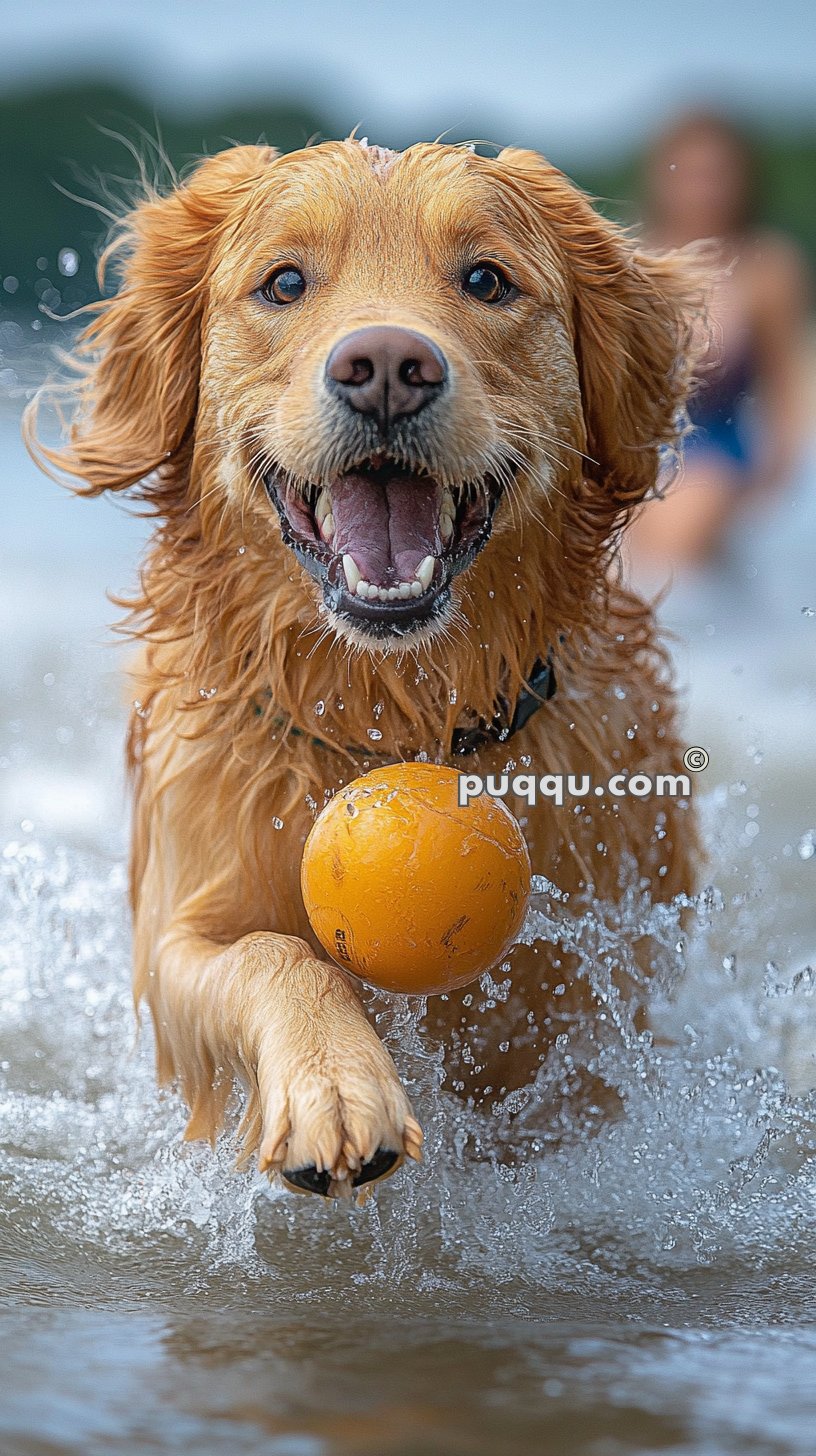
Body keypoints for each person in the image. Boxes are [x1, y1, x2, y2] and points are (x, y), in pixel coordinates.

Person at [628, 109, 810, 577]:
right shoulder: (629, 258)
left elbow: (788, 388)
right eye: (687, 174)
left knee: (674, 539)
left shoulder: (767, 267)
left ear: (743, 180)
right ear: (661, 178)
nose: (702, 189)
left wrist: (770, 486)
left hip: (718, 451)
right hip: (632, 447)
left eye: (715, 175)